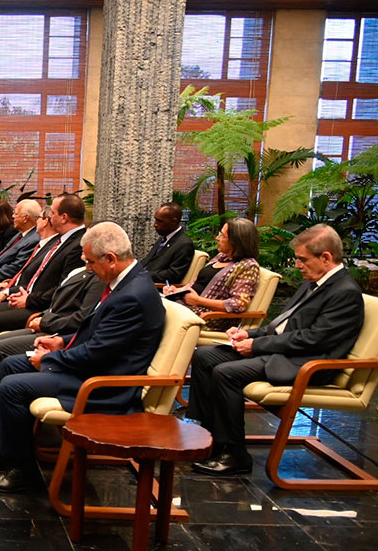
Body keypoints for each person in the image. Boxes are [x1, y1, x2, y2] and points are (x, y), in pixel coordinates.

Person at [0, 221, 165, 493]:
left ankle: (23, 472)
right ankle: (6, 451)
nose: (89, 269)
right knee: (10, 363)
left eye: (91, 263)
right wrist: (61, 341)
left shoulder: (133, 296)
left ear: (111, 259)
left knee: (13, 387)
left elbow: (98, 352)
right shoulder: (125, 282)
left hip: (106, 384)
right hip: (93, 367)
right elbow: (97, 335)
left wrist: (49, 360)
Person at [187, 225, 363, 476]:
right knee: (204, 356)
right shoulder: (313, 282)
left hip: (306, 363)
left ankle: (235, 454)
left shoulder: (345, 293)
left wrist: (257, 346)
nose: (297, 265)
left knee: (226, 373)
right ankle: (208, 435)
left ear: (326, 257)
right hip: (283, 351)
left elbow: (313, 340)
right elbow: (283, 325)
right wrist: (249, 334)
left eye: (303, 259)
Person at [0, 194, 87, 371]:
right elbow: (34, 273)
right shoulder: (61, 240)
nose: (49, 217)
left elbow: (60, 290)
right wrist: (9, 288)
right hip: (23, 292)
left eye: (52, 212)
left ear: (64, 217)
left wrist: (25, 298)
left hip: (41, 308)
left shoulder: (76, 245)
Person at [0, 265, 103, 439]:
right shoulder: (88, 274)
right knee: (2, 353)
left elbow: (89, 333)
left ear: (109, 259)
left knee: (2, 354)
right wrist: (55, 336)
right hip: (58, 333)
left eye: (91, 259)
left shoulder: (114, 288)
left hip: (82, 368)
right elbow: (62, 307)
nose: (87, 263)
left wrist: (52, 355)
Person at [163, 217, 261, 331]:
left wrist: (198, 301)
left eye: (222, 236)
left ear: (236, 241)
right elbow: (196, 283)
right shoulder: (221, 257)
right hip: (186, 307)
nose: (217, 238)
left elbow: (238, 304)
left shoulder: (248, 266)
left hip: (205, 317)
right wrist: (176, 292)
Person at [141, 202, 195, 284]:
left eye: (159, 221)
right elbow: (148, 261)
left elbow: (173, 275)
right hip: (143, 281)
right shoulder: (164, 237)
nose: (155, 224)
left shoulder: (184, 244)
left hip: (156, 288)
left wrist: (143, 275)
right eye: (155, 219)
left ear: (174, 221)